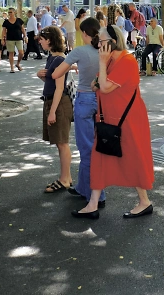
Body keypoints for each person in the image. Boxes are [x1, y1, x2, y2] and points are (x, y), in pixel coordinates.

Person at [71, 25, 154, 220]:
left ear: (113, 42)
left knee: (132, 160)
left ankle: (144, 201)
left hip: (128, 121)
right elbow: (94, 85)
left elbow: (104, 87)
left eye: (101, 41)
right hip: (108, 119)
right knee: (100, 159)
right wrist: (102, 71)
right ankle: (92, 203)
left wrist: (101, 65)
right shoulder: (110, 62)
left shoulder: (127, 61)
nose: (98, 45)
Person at [52, 18, 104, 208]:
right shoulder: (104, 50)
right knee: (97, 146)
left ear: (84, 33)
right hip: (101, 100)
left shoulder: (79, 51)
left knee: (86, 148)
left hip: (84, 99)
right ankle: (84, 187)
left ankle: (95, 195)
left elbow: (56, 74)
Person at [36, 26, 73, 193]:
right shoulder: (52, 58)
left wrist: (52, 111)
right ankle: (66, 178)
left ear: (50, 40)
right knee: (60, 143)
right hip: (53, 102)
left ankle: (65, 179)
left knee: (62, 143)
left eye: (42, 39)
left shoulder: (58, 60)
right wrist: (42, 77)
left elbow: (59, 88)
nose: (40, 42)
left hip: (58, 104)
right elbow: (52, 84)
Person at [1, 7, 26, 72]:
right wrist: (2, 39)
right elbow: (3, 31)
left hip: (19, 38)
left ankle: (18, 63)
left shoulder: (19, 20)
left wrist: (25, 36)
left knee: (21, 52)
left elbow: (22, 29)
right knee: (11, 53)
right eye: (9, 12)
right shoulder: (6, 22)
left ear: (14, 12)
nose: (10, 13)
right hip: (9, 39)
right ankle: (12, 68)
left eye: (11, 12)